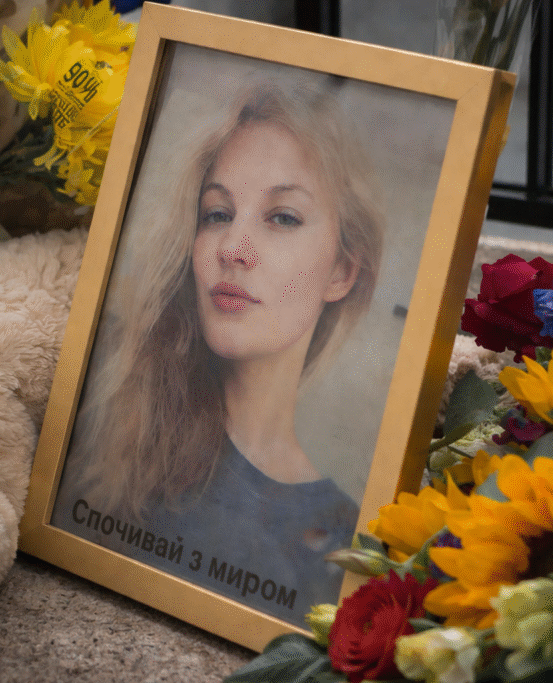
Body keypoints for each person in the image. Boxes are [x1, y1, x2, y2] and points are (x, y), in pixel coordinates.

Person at [52, 79, 385, 622]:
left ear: (343, 271)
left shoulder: (351, 540)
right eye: (217, 214)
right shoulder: (112, 424)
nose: (233, 249)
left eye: (282, 217)